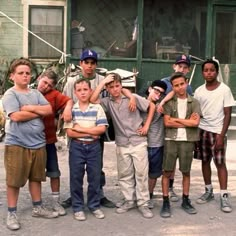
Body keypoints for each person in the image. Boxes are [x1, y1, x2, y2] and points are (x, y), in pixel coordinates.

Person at [62, 49, 135, 208]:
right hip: (76, 126)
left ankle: (99, 193)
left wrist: (130, 96)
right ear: (80, 64)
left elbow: (118, 88)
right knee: (76, 165)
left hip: (97, 126)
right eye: (86, 62)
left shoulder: (103, 79)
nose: (89, 66)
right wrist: (67, 108)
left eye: (92, 63)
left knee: (96, 163)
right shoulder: (71, 81)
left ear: (96, 64)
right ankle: (75, 196)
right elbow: (65, 99)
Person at [2, 58, 58, 231]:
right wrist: (37, 111)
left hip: (38, 143)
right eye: (21, 73)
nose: (25, 76)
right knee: (14, 180)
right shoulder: (10, 94)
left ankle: (37, 207)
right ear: (12, 76)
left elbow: (48, 110)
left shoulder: (35, 94)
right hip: (17, 143)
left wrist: (29, 108)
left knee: (36, 177)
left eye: (27, 73)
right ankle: (11, 213)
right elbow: (15, 116)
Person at [90, 73, 156, 219]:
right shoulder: (107, 102)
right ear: (107, 88)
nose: (115, 89)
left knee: (141, 173)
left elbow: (151, 106)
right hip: (122, 142)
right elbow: (92, 99)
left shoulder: (132, 98)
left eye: (117, 86)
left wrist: (146, 125)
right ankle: (129, 200)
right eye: (111, 87)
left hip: (138, 141)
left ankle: (143, 203)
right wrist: (102, 83)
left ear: (122, 85)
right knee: (124, 174)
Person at [64, 78, 108, 221]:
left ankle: (94, 205)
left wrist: (81, 129)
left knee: (94, 177)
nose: (83, 93)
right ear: (75, 93)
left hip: (94, 147)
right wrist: (90, 131)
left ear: (90, 91)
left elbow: (101, 129)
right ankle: (77, 207)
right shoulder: (72, 109)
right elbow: (70, 132)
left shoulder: (97, 108)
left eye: (85, 89)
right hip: (77, 146)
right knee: (76, 177)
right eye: (79, 90)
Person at [194, 59, 235, 213]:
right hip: (202, 131)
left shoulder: (224, 90)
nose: (209, 73)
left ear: (217, 72)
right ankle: (208, 190)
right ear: (202, 72)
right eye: (206, 70)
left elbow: (227, 114)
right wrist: (196, 134)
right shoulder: (199, 91)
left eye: (212, 70)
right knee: (205, 161)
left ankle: (224, 195)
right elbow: (196, 113)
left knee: (220, 163)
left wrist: (221, 135)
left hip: (217, 131)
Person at [160, 72, 201, 218]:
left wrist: (176, 120)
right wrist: (186, 122)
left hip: (187, 141)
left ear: (187, 82)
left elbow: (195, 123)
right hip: (171, 140)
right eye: (176, 85)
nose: (179, 88)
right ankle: (165, 201)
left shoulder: (194, 102)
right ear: (172, 87)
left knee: (186, 171)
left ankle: (185, 199)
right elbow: (167, 122)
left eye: (182, 84)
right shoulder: (170, 103)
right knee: (167, 172)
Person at [37, 70, 73, 216]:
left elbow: (68, 100)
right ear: (39, 78)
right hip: (32, 142)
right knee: (35, 175)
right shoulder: (29, 92)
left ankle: (56, 202)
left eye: (50, 85)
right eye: (44, 82)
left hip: (49, 141)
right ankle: (37, 204)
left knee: (54, 172)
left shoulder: (54, 95)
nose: (46, 86)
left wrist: (67, 109)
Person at [159, 54, 193, 202]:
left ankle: (171, 188)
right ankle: (152, 190)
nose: (182, 69)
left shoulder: (188, 87)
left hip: (178, 128)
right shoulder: (163, 82)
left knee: (174, 161)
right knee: (163, 161)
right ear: (174, 66)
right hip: (161, 126)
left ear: (189, 70)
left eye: (185, 67)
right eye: (179, 66)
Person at [144, 80, 167, 209]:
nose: (158, 94)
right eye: (156, 90)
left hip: (156, 144)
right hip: (140, 143)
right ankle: (136, 196)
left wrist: (162, 102)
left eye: (161, 93)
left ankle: (149, 195)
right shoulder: (139, 102)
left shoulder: (161, 106)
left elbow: (174, 93)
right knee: (138, 172)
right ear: (149, 88)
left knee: (153, 173)